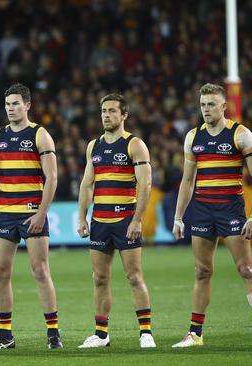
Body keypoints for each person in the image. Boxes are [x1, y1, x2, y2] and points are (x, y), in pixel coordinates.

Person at [171, 83, 252, 347]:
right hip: (202, 211)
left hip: (231, 209)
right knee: (202, 271)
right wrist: (179, 217)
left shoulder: (241, 135)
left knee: (246, 269)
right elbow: (187, 181)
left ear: (224, 106)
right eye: (203, 105)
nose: (206, 109)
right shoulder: (193, 137)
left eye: (211, 104)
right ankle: (195, 334)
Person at [0, 83, 62, 350]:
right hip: (4, 213)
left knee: (40, 271)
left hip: (31, 214)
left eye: (16, 104)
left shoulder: (40, 135)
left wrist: (41, 213)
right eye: (7, 104)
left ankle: (53, 333)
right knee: (0, 272)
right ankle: (5, 335)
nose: (11, 109)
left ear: (27, 105)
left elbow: (51, 178)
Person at [76, 93, 156, 348]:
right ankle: (101, 334)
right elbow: (87, 184)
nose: (106, 115)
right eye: (103, 111)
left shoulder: (135, 145)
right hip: (100, 220)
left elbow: (145, 184)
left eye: (112, 111)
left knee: (134, 276)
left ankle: (145, 333)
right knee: (99, 278)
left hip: (125, 219)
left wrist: (137, 219)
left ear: (124, 115)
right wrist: (81, 216)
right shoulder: (94, 146)